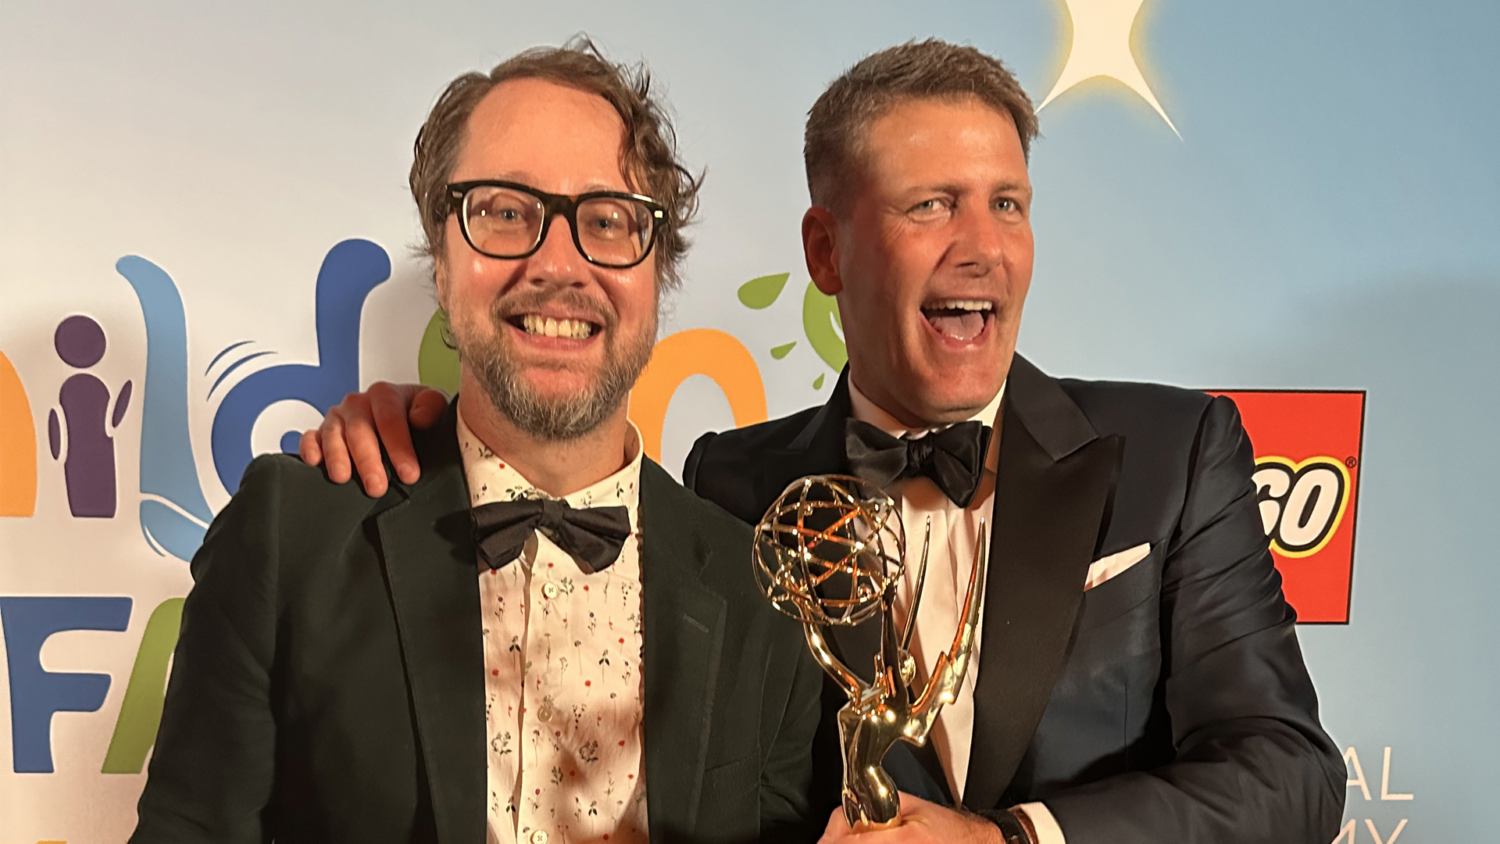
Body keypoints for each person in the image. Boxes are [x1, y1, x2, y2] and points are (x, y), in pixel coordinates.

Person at [303, 40, 1346, 844]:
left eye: (1008, 205)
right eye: (930, 205)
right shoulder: (732, 483)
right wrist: (428, 434)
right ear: (826, 250)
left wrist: (1016, 838)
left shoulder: (1172, 451)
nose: (981, 246)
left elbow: (1289, 772)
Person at [132, 41, 822, 844]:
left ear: (657, 270)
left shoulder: (762, 595)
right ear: (442, 258)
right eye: (504, 211)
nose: (557, 262)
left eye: (607, 220)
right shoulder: (292, 536)